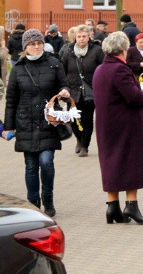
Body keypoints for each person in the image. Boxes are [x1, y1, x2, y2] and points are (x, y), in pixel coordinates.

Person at [3, 29, 70, 216]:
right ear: (26, 47)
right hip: (26, 122)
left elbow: (63, 85)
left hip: (48, 121)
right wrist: (8, 127)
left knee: (46, 161)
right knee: (31, 166)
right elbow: (10, 101)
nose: (36, 46)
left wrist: (64, 91)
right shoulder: (18, 68)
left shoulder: (54, 63)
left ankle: (48, 197)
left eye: (39, 43)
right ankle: (33, 202)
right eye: (32, 44)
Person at [93, 31, 143, 224]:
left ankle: (112, 207)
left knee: (110, 162)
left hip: (105, 123)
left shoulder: (100, 69)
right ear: (122, 49)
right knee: (131, 163)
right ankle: (131, 205)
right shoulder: (120, 70)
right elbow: (133, 97)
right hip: (125, 124)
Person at [60, 24, 104, 157]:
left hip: (90, 90)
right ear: (75, 37)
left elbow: (103, 69)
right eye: (79, 36)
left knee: (87, 119)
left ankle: (85, 145)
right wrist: (63, 87)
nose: (81, 39)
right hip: (73, 91)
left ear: (89, 36)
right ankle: (78, 139)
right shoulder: (69, 51)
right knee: (73, 119)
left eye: (84, 36)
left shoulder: (96, 50)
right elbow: (62, 71)